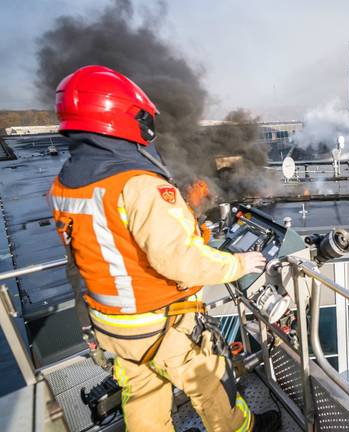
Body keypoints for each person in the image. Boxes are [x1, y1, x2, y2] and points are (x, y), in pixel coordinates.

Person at [49, 65, 280, 432]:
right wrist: (238, 263)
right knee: (211, 382)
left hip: (110, 323)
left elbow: (82, 259)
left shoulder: (65, 186)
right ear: (123, 117)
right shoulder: (139, 185)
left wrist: (86, 321)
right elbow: (179, 259)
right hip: (158, 323)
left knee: (143, 397)